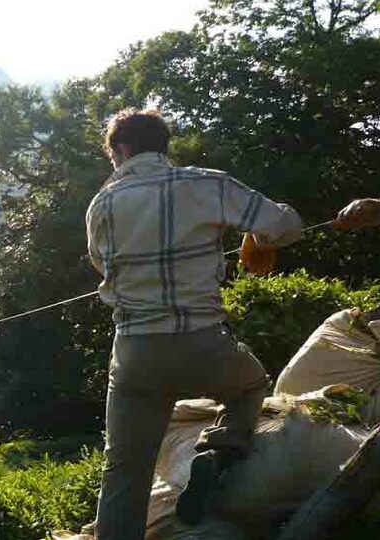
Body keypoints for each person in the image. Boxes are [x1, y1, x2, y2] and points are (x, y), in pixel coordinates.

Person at [85, 108, 304, 540]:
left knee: (124, 473)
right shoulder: (208, 183)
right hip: (204, 345)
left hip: (135, 354)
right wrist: (259, 238)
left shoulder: (102, 203)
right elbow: (285, 225)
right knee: (250, 385)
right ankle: (222, 448)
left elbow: (101, 264)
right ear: (162, 145)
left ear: (122, 150)